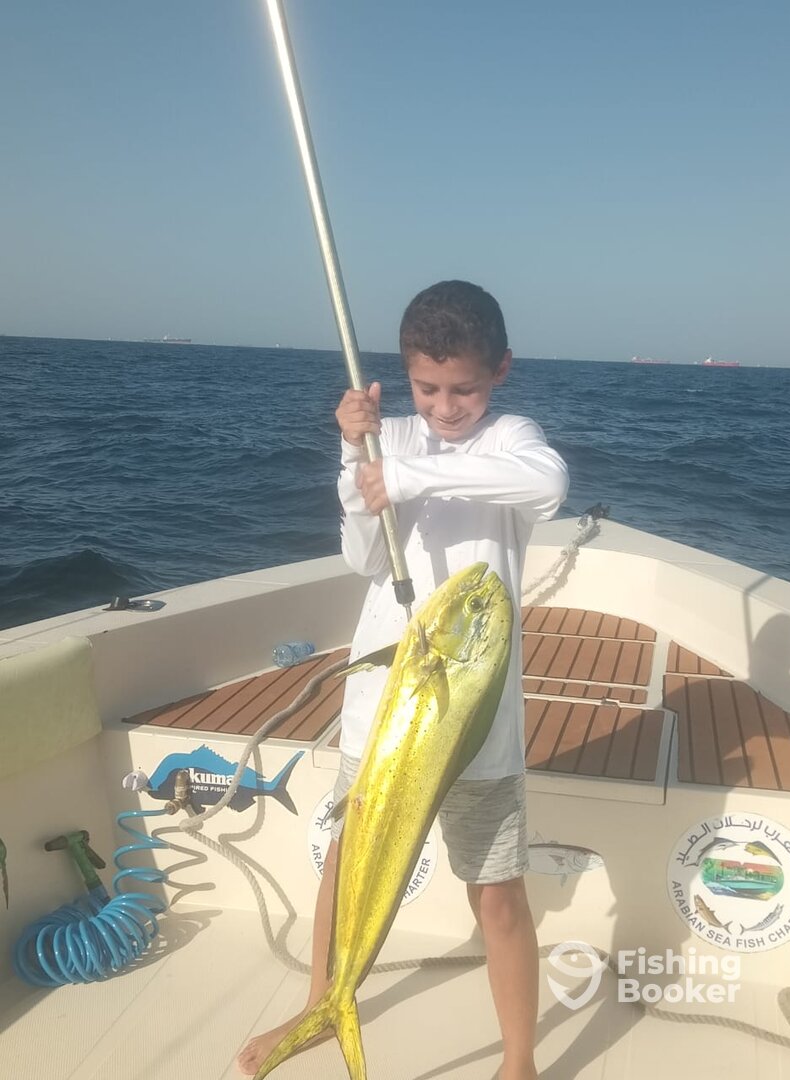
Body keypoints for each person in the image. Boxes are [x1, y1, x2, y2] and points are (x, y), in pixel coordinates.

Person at [238, 280, 568, 1080]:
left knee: (497, 892)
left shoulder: (511, 438)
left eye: (465, 389)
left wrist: (411, 476)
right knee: (348, 862)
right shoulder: (385, 437)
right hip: (382, 710)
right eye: (427, 389)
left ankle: (518, 1061)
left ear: (501, 371)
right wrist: (356, 457)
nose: (446, 407)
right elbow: (365, 557)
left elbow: (549, 486)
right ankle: (322, 1004)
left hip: (476, 723)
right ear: (405, 373)